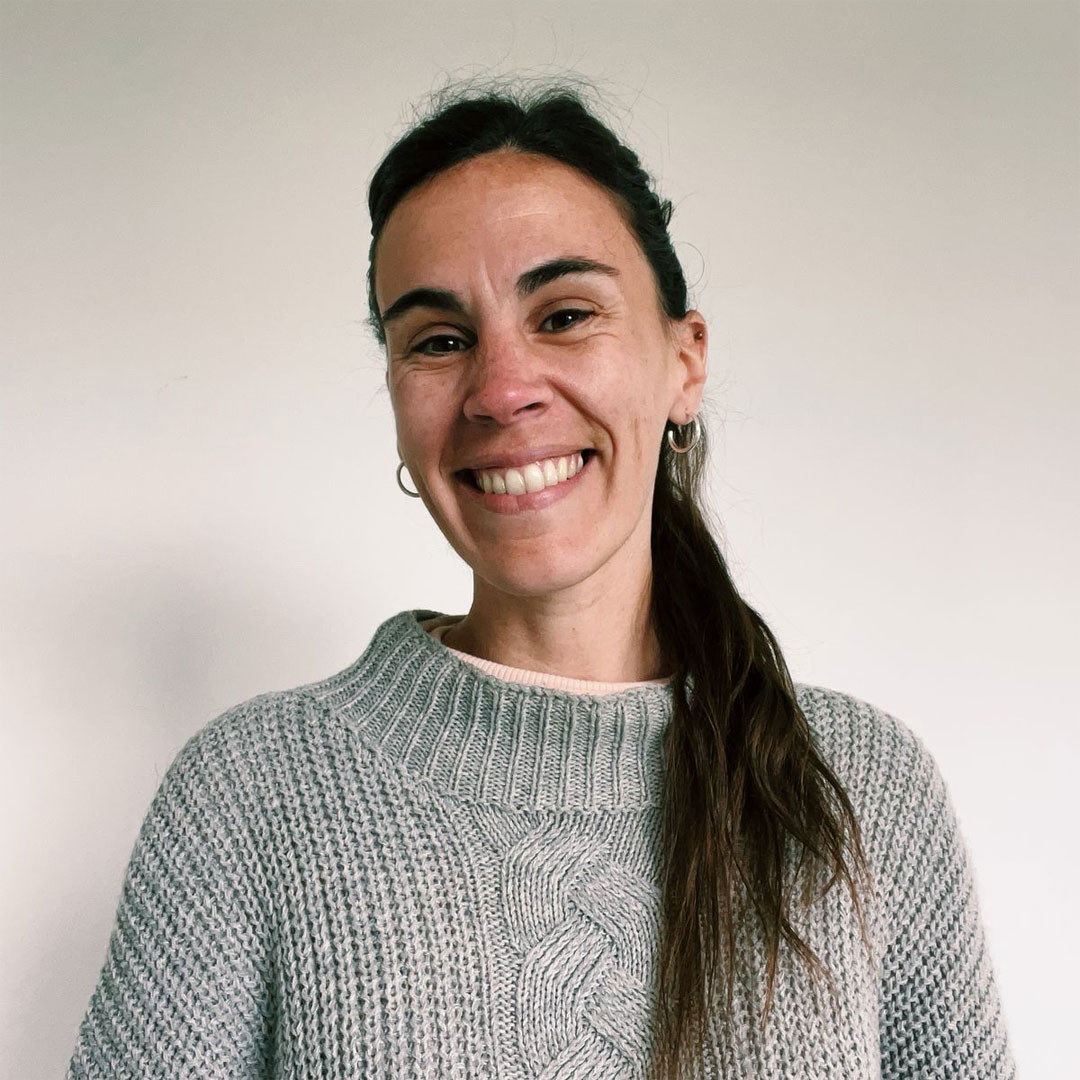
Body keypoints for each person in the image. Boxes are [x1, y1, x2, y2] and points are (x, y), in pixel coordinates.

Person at [67, 82, 1017, 1080]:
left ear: (684, 362)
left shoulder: (865, 792)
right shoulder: (252, 796)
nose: (501, 390)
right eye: (439, 340)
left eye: (563, 315)